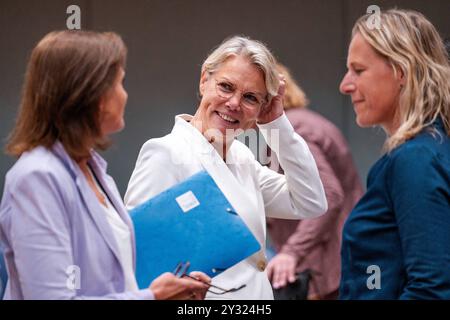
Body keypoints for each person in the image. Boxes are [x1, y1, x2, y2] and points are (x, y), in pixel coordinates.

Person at [0, 30, 210, 300]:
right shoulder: (37, 177)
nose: (124, 95)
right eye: (119, 83)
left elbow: (109, 283)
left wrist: (165, 291)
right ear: (91, 94)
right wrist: (152, 297)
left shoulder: (94, 170)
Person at [124, 36, 328, 299]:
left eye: (250, 98)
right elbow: (138, 254)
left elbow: (310, 202)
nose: (234, 103)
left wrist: (276, 123)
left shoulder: (241, 158)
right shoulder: (167, 152)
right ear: (203, 80)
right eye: (226, 86)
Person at [339, 9, 450, 299]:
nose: (345, 85)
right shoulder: (426, 149)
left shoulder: (416, 159)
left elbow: (432, 289)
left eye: (358, 70)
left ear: (401, 71)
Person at [266, 63, 363, 300]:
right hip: (340, 260)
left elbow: (329, 195)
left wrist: (292, 252)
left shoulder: (293, 129)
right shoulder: (302, 122)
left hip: (329, 266)